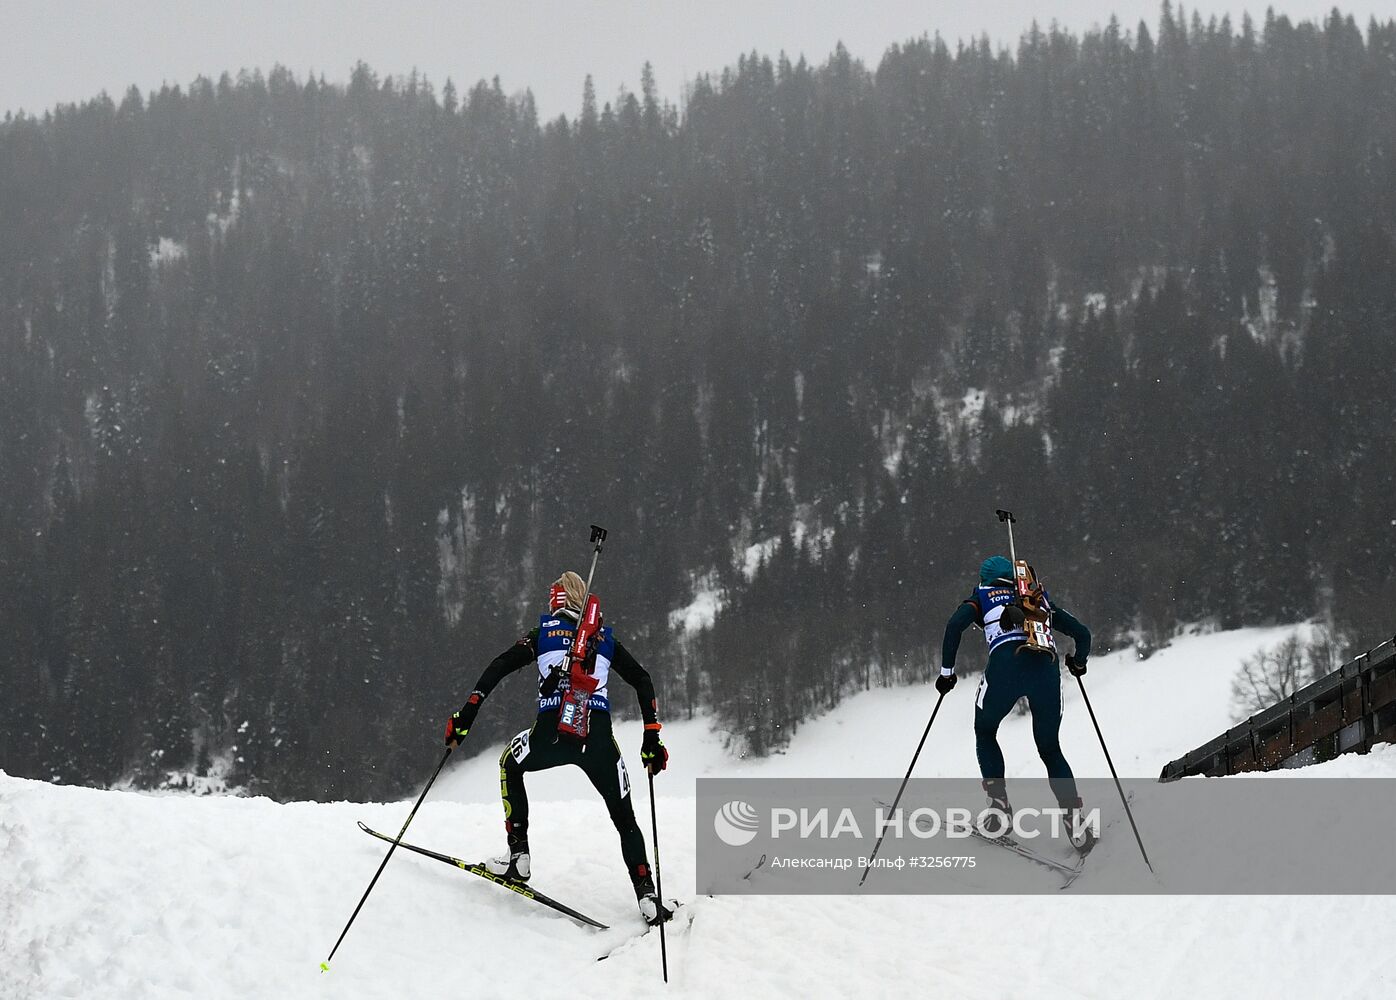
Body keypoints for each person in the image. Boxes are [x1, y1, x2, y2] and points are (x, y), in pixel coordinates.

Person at [443, 571, 673, 923]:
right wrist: (651, 736)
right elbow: (642, 679)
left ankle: (518, 855)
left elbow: (501, 664)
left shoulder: (544, 633)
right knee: (624, 816)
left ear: (558, 601)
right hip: (597, 738)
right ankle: (646, 893)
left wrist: (468, 711)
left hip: (551, 733)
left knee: (510, 763)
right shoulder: (605, 638)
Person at [937, 555, 1095, 851]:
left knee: (985, 731)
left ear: (984, 580)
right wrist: (1078, 662)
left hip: (1005, 668)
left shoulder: (981, 596)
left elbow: (953, 626)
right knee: (1050, 748)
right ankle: (1075, 822)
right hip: (1045, 671)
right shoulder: (1038, 599)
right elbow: (1083, 634)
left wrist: (947, 674)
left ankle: (999, 809)